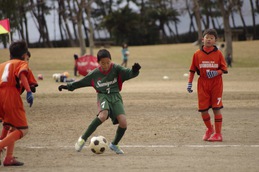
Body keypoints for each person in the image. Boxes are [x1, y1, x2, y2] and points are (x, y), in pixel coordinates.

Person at [58, 49, 141, 154]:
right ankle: (82, 139)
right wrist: (67, 86)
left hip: (115, 97)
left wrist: (135, 71)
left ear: (110, 60)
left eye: (108, 62)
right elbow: (80, 82)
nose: (106, 65)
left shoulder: (116, 68)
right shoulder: (94, 74)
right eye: (103, 63)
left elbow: (129, 73)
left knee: (123, 123)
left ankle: (114, 144)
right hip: (103, 96)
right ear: (98, 62)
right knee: (103, 115)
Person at [187, 29, 228, 142]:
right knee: (203, 109)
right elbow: (192, 70)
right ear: (202, 39)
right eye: (207, 37)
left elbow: (224, 69)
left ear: (215, 40)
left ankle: (218, 134)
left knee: (216, 108)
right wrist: (189, 83)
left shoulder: (218, 53)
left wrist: (216, 72)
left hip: (216, 83)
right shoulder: (197, 54)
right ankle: (210, 129)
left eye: (211, 38)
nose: (209, 40)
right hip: (203, 83)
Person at [0, 40, 35, 166]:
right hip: (10, 96)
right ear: (24, 55)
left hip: (0, 96)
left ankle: (8, 158)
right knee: (23, 129)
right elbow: (22, 75)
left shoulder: (2, 65)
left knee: (11, 126)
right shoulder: (21, 63)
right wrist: (29, 91)